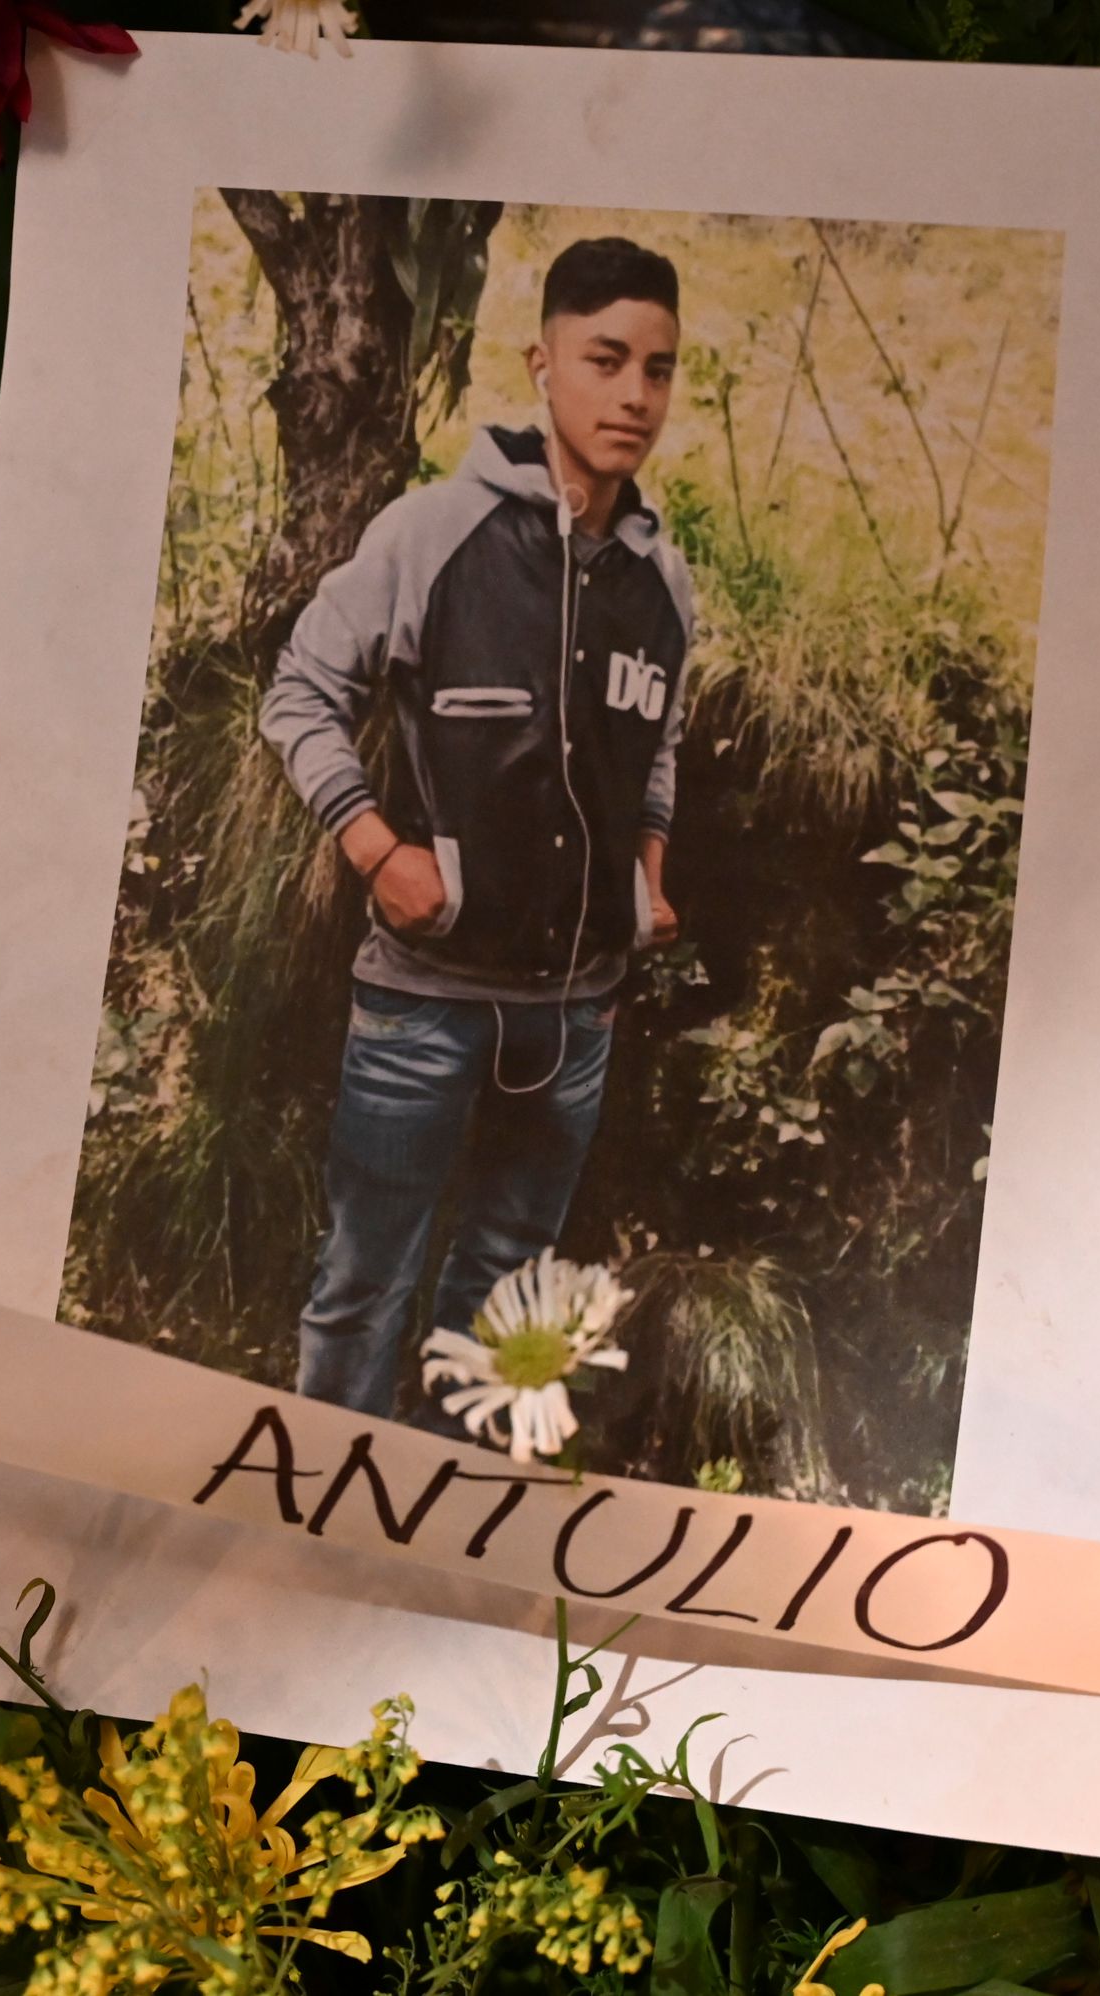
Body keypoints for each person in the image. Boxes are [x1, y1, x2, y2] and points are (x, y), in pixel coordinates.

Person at [257, 235, 694, 1419]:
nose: (634, 396)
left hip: (576, 1017)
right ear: (540, 362)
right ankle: (324, 1519)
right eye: (605, 359)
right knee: (362, 1285)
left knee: (506, 1301)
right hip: (423, 1001)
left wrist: (647, 873)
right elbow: (299, 691)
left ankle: (437, 1522)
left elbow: (656, 751)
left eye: (657, 369)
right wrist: (375, 848)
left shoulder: (663, 582)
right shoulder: (433, 533)